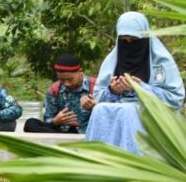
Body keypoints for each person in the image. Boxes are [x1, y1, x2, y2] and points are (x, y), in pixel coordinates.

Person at [85, 11, 184, 153]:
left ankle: (134, 165)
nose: (129, 45)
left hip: (156, 116)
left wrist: (142, 88)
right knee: (100, 110)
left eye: (134, 40)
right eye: (124, 41)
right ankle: (98, 163)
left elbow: (176, 99)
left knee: (129, 111)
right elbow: (98, 98)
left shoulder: (161, 62)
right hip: (121, 109)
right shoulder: (112, 62)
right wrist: (113, 91)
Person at [24, 54, 96, 134]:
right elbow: (47, 118)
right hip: (61, 130)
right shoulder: (54, 89)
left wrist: (94, 107)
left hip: (87, 130)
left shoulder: (96, 86)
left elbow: (107, 115)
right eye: (62, 80)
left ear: (80, 71)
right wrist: (56, 121)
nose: (66, 83)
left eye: (70, 79)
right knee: (30, 123)